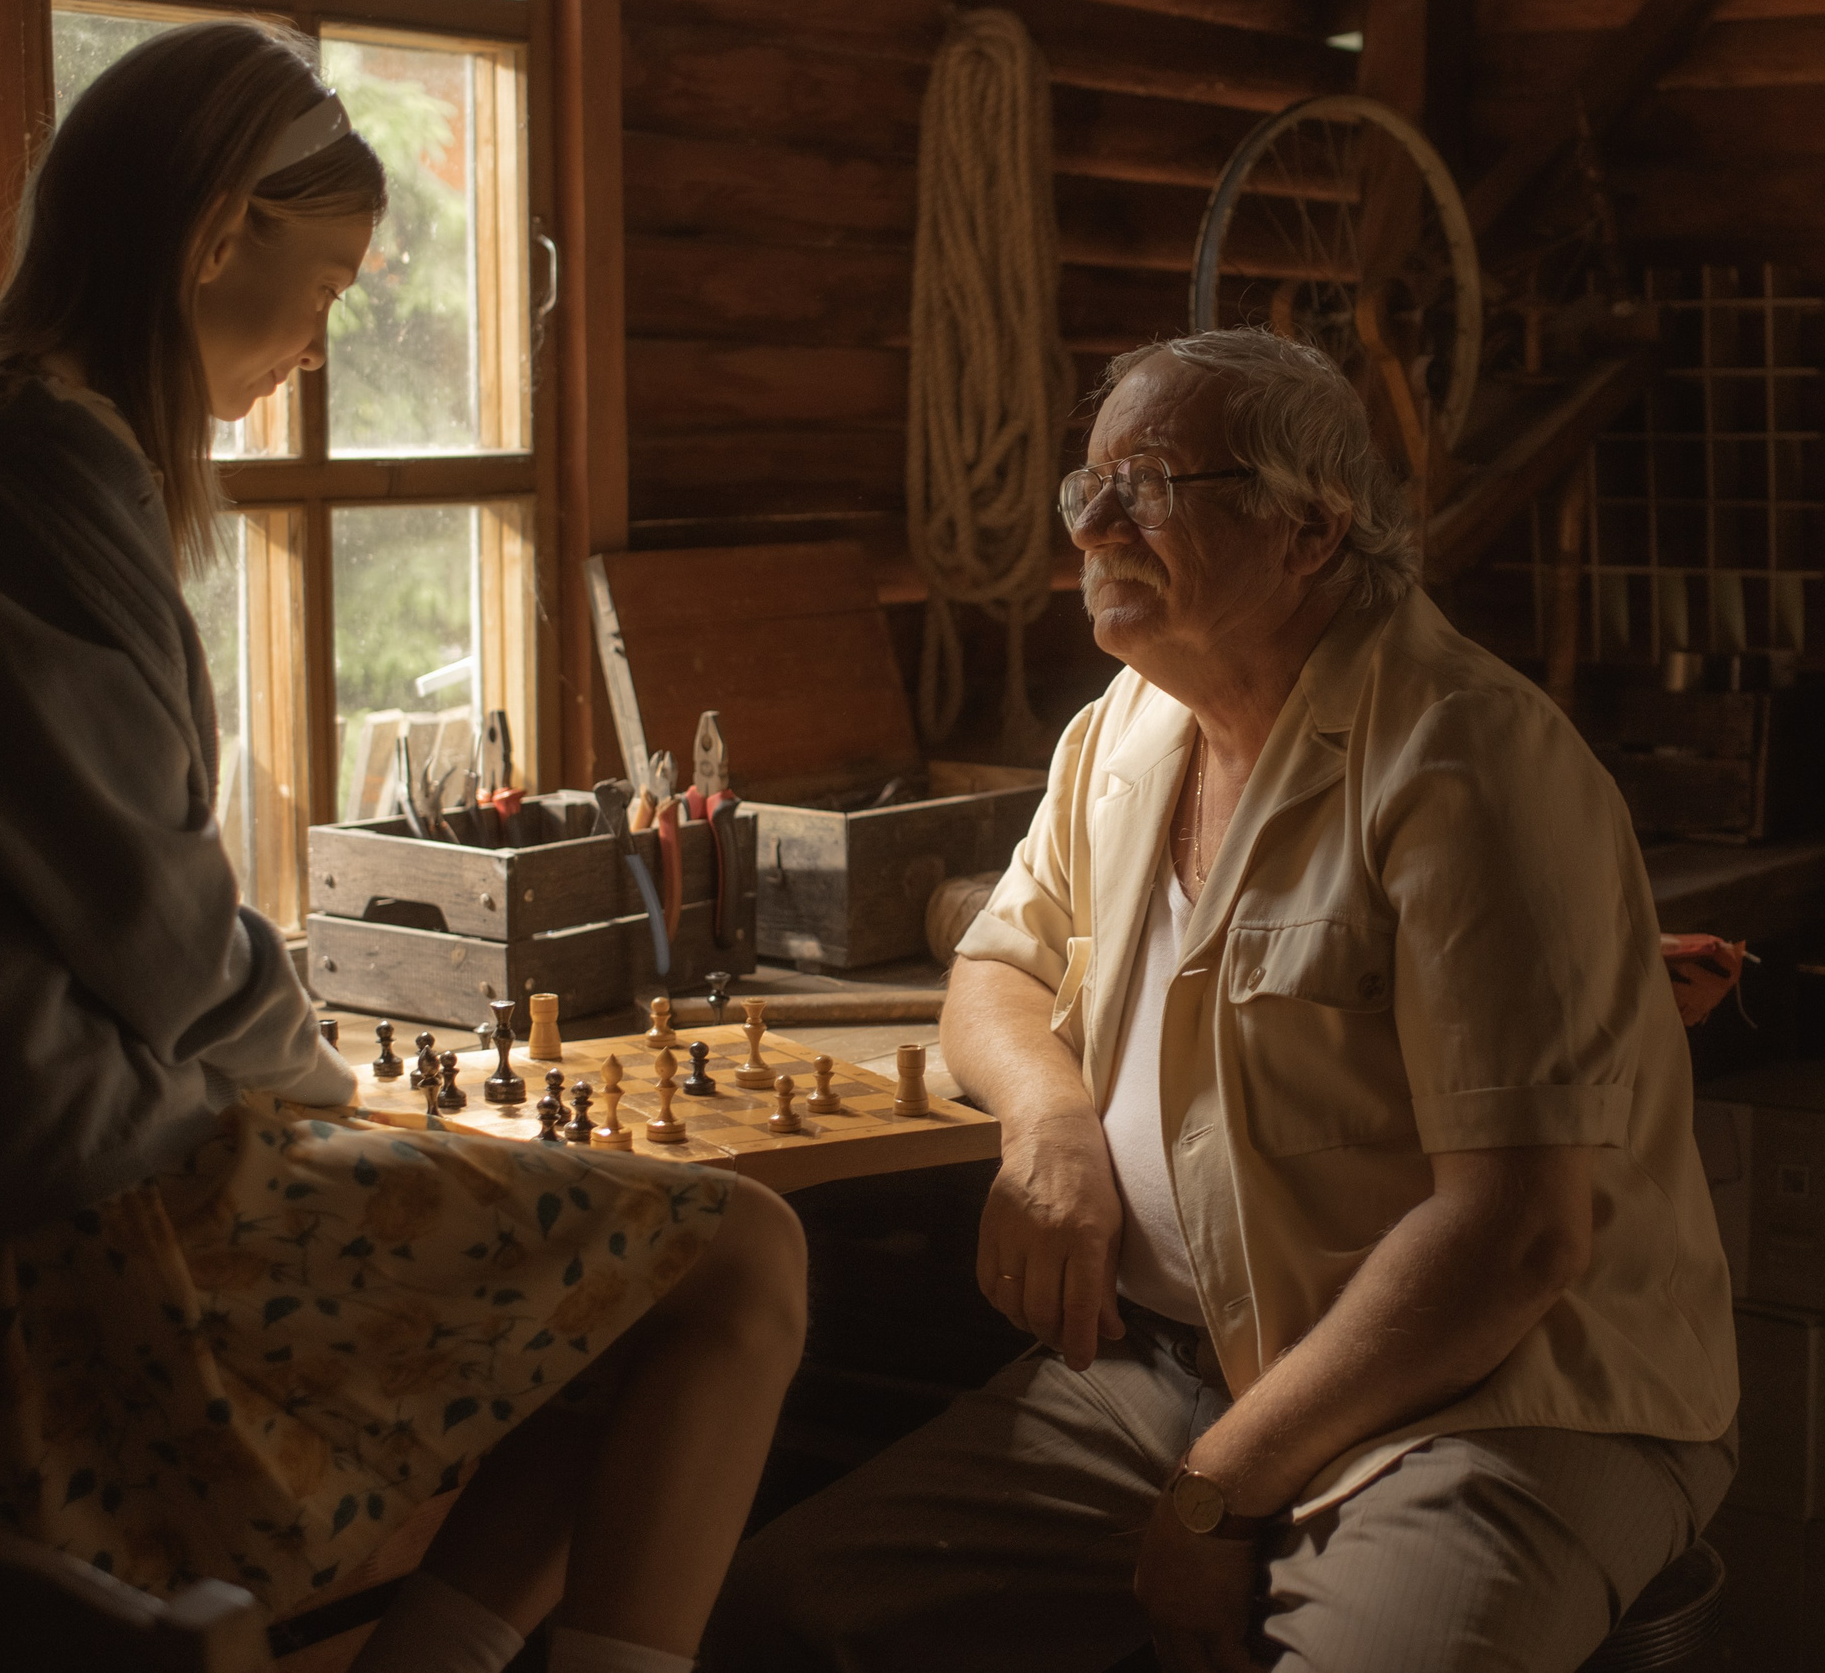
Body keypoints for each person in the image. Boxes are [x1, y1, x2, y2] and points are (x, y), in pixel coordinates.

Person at [0, 20, 804, 1673]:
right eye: (323, 286)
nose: (320, 343)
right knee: (741, 1256)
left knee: (654, 1290)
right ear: (216, 231)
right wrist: (325, 1080)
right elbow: (165, 931)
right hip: (86, 1204)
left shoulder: (15, 454)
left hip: (79, 1160)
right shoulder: (8, 467)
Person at [705, 328, 1737, 1673]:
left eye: (1147, 488)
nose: (1094, 527)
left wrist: (1213, 1492)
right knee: (768, 1623)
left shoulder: (1467, 762)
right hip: (1166, 1376)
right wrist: (1050, 1123)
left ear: (1311, 531)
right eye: (1088, 491)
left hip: (1489, 1399)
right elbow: (997, 969)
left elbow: (1515, 1238)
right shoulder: (1125, 726)